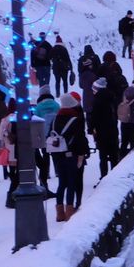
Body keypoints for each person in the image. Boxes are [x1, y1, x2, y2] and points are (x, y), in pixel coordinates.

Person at [49, 91, 87, 221]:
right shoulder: (75, 120)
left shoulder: (55, 120)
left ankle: (60, 213)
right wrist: (82, 155)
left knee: (61, 183)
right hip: (71, 155)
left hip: (57, 156)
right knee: (71, 182)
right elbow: (80, 139)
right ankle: (69, 212)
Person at [89, 77, 119, 178]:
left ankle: (104, 177)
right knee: (114, 156)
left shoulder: (97, 101)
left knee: (103, 157)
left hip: (101, 133)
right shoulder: (112, 97)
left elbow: (93, 117)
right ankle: (115, 175)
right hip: (113, 131)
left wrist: (90, 128)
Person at [32, 86, 59, 192]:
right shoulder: (56, 105)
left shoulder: (38, 107)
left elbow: (35, 122)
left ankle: (46, 172)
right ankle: (57, 171)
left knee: (46, 155)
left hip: (44, 135)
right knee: (56, 153)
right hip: (54, 134)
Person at [77, 45, 101, 129]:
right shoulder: (95, 57)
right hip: (96, 83)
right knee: (96, 104)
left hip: (85, 85)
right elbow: (100, 68)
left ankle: (90, 126)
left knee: (88, 106)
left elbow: (79, 72)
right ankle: (97, 123)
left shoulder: (81, 59)